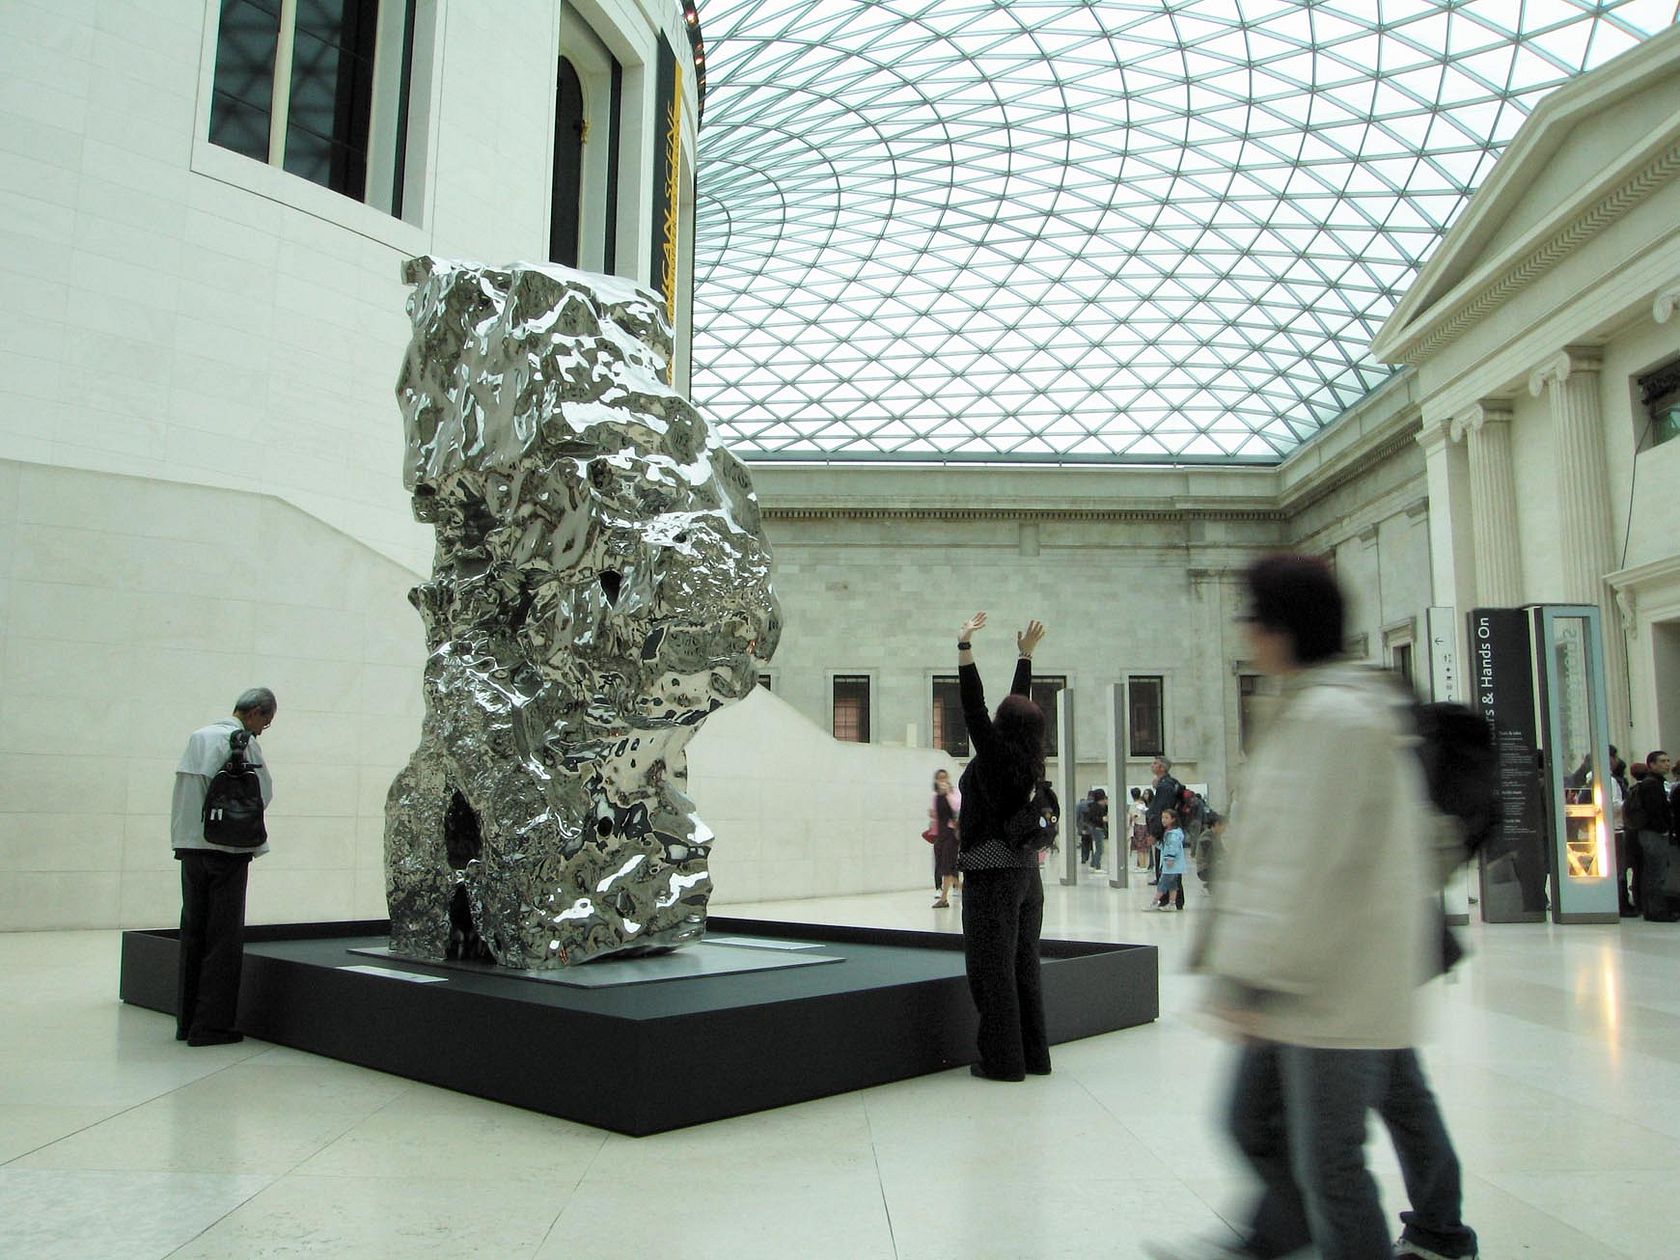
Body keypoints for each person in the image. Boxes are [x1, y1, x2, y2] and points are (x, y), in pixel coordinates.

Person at [1167, 554, 1457, 1260]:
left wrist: (1249, 976)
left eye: (1251, 616)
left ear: (1281, 628)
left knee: (1327, 1163)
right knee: (1257, 1129)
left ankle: (1300, 1241)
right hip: (1310, 982)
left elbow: (1304, 869)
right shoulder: (1313, 711)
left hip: (1327, 987)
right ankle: (1278, 1240)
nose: (1243, 631)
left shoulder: (1332, 721)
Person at [954, 611, 1052, 1082]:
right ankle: (1034, 1055)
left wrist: (964, 649)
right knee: (1024, 967)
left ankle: (1003, 1061)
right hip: (1026, 876)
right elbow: (1019, 709)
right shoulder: (1028, 759)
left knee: (991, 972)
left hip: (992, 877)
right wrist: (1024, 657)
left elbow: (974, 708)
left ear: (1002, 726)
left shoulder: (994, 759)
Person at [172, 688, 277, 1046]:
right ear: (256, 713)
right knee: (223, 940)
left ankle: (186, 1021)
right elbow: (262, 792)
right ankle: (212, 1025)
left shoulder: (197, 737)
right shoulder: (241, 742)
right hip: (227, 851)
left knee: (193, 933)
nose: (264, 729)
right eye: (266, 721)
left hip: (189, 849)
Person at [1627, 750, 1676, 922]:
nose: (1667, 764)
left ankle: (1650, 908)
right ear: (1652, 764)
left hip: (1650, 832)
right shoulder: (1652, 785)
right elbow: (1654, 810)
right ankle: (1655, 910)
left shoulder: (1653, 783)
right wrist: (1663, 828)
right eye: (1662, 761)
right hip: (1653, 834)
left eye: (1668, 760)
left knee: (1651, 871)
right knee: (1656, 872)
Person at [929, 768, 962, 908]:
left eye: (944, 777)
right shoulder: (936, 796)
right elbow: (934, 814)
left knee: (948, 865)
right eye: (939, 778)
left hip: (951, 833)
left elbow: (957, 808)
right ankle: (963, 889)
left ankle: (944, 898)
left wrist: (948, 793)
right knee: (943, 864)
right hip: (940, 833)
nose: (942, 780)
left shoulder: (952, 793)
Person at [1153, 808, 1186, 911]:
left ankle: (1154, 902)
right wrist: (1156, 844)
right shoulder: (1168, 833)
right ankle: (1172, 904)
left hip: (1171, 864)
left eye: (1166, 818)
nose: (1163, 820)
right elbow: (1165, 847)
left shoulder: (1173, 835)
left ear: (1173, 819)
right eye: (1162, 817)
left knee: (1163, 884)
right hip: (1170, 864)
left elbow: (1172, 847)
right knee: (1173, 885)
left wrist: (1170, 858)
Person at [1087, 787, 1109, 875]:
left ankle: (1093, 865)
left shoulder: (1094, 806)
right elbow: (1095, 818)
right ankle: (1097, 866)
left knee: (1097, 848)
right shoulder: (1096, 807)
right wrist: (1102, 819)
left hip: (1095, 828)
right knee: (1100, 848)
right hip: (1097, 828)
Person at [1129, 786, 1151, 869]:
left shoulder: (1134, 805)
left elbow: (1133, 816)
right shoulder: (1143, 804)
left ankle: (1142, 866)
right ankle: (1142, 864)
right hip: (1145, 826)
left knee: (1140, 847)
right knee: (1144, 847)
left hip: (1138, 826)